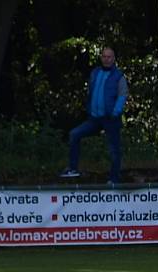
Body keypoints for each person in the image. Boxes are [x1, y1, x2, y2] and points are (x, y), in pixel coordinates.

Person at [59, 46, 128, 183]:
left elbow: (123, 95)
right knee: (74, 134)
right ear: (101, 58)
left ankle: (114, 178)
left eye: (109, 57)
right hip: (94, 118)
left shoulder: (119, 76)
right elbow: (90, 92)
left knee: (114, 150)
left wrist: (116, 112)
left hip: (110, 118)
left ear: (113, 59)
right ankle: (73, 168)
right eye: (104, 56)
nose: (106, 59)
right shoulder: (95, 73)